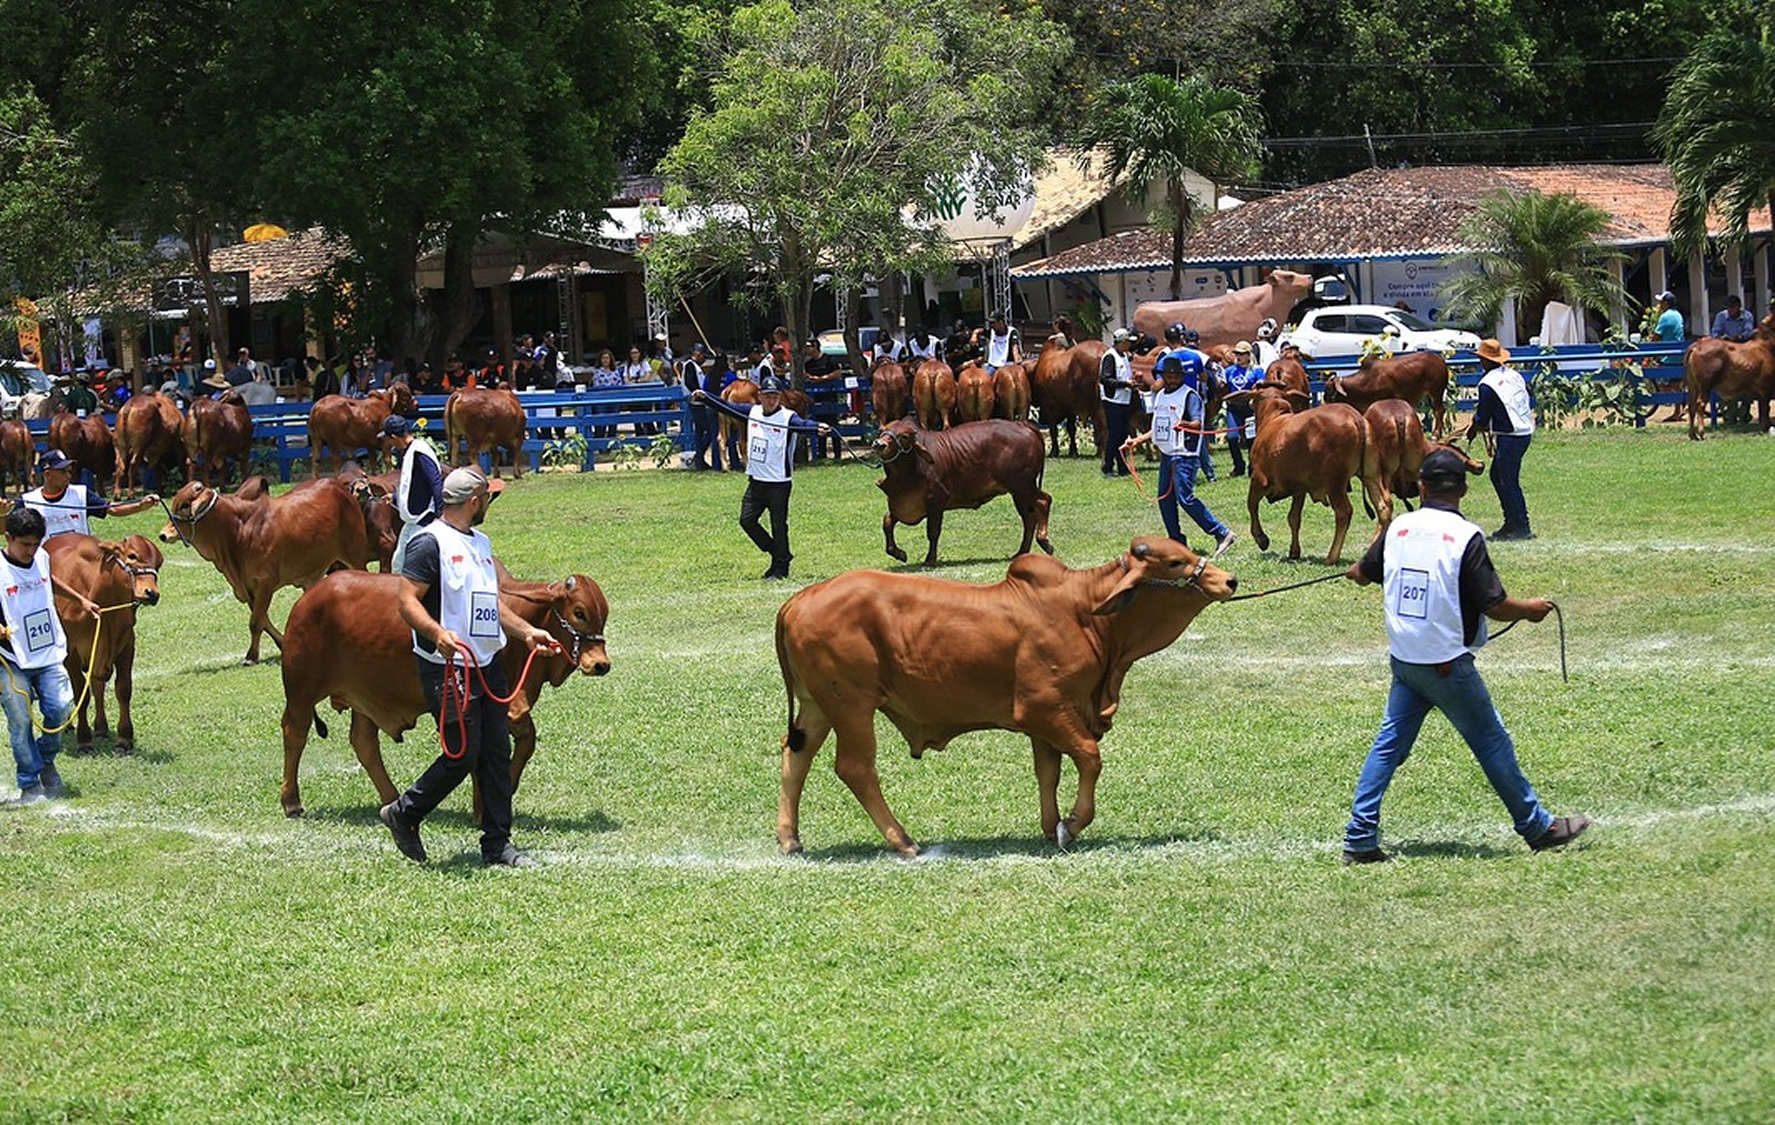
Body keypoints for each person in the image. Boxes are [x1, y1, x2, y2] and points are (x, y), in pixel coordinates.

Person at [1340, 449, 1591, 863]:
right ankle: (1536, 826)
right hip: (1446, 664)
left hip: (1407, 662)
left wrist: (1357, 571)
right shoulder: (1465, 537)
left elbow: (1365, 573)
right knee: (1492, 743)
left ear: (1420, 487)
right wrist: (1528, 611)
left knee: (1388, 746)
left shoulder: (1399, 527)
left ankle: (1360, 837)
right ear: (1463, 489)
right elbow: (1493, 603)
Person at [379, 467, 554, 866]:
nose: (490, 502)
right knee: (462, 753)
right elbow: (406, 600)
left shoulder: (480, 543)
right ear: (475, 500)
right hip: (447, 667)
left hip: (485, 662)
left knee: (495, 751)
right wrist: (437, 633)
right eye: (488, 496)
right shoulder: (429, 544)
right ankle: (404, 812)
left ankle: (497, 845)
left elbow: (489, 603)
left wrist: (527, 632)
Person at [0, 507, 100, 805]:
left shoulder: (41, 558)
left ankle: (46, 760)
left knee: (60, 709)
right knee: (20, 721)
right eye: (24, 545)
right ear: (8, 537)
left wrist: (81, 600)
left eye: (35, 544)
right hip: (10, 658)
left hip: (47, 652)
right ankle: (29, 783)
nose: (31, 551)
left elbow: (49, 580)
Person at [692, 375, 833, 580]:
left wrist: (817, 428)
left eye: (775, 396)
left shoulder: (788, 417)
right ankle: (778, 553)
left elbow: (803, 424)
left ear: (779, 397)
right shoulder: (753, 412)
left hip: (778, 483)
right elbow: (726, 407)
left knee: (779, 526)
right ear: (760, 396)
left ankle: (780, 568)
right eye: (767, 396)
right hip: (756, 481)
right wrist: (706, 398)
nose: (771, 400)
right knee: (747, 521)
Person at [1120, 354, 1235, 558]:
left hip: (1184, 454)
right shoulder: (1161, 396)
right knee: (1165, 500)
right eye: (1169, 375)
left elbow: (1198, 424)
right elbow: (1157, 426)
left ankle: (1222, 533)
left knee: (1185, 498)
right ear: (1163, 375)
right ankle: (1176, 542)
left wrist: (1185, 425)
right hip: (1167, 455)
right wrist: (1137, 441)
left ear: (1181, 376)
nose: (1173, 378)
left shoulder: (1189, 396)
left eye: (1176, 375)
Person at [1465, 338, 1536, 541]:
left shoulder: (1487, 384)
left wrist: (1474, 427)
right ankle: (1511, 522)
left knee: (1507, 480)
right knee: (1498, 476)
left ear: (1485, 361)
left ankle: (1521, 526)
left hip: (1510, 436)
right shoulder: (1514, 375)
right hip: (1523, 432)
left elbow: (1482, 416)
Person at [20, 449, 158, 538]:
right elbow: (6, 530)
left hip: (81, 565)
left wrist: (140, 505)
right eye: (63, 471)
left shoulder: (80, 494)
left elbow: (112, 508)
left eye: (69, 470)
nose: (68, 475)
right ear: (47, 474)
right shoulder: (28, 502)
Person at [377, 414, 444, 573]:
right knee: (398, 563)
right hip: (412, 521)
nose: (389, 443)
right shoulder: (409, 452)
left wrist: (440, 515)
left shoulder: (419, 452)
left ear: (394, 437)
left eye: (388, 439)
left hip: (424, 520)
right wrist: (395, 498)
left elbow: (435, 482)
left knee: (413, 567)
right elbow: (412, 484)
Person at [1222, 341, 1266, 477]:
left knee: (1252, 440)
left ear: (1248, 355)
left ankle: (1253, 466)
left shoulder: (1257, 370)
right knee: (1232, 437)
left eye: (1241, 354)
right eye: (1236, 353)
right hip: (1234, 408)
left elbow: (1262, 386)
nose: (1238, 356)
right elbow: (1223, 386)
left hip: (1250, 409)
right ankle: (1238, 465)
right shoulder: (1229, 371)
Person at [1098, 327, 1137, 477]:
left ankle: (1121, 465)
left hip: (1124, 400)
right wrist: (1125, 384)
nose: (1129, 345)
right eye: (1128, 342)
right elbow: (1105, 379)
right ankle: (1108, 465)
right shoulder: (1110, 356)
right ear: (1122, 342)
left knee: (1122, 434)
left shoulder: (1124, 356)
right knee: (1114, 434)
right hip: (1113, 400)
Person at [681, 343, 723, 471]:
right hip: (696, 402)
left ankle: (700, 460)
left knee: (699, 433)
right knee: (710, 431)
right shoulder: (690, 365)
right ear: (697, 354)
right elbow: (690, 383)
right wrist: (699, 392)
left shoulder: (695, 366)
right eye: (702, 356)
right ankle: (699, 456)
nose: (704, 359)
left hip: (699, 402)